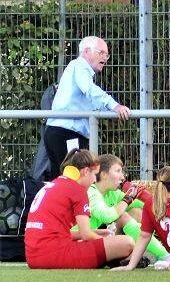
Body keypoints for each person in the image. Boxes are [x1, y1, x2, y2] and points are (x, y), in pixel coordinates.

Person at [24, 149, 134, 268]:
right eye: (94, 175)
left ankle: (110, 259)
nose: (95, 180)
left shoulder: (55, 183)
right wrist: (106, 242)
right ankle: (115, 259)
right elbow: (86, 235)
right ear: (86, 171)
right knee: (126, 242)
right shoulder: (79, 190)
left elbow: (54, 233)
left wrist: (94, 233)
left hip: (33, 257)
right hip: (55, 255)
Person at [43, 36, 131, 180]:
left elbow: (93, 101)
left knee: (64, 178)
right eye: (101, 52)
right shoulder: (79, 66)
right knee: (74, 179)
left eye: (106, 54)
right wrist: (115, 106)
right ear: (86, 52)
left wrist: (111, 109)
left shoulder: (80, 71)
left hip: (64, 131)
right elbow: (90, 90)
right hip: (67, 132)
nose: (105, 57)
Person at [79, 154, 170, 267]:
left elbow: (147, 206)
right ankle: (164, 256)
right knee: (123, 218)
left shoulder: (113, 194)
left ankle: (167, 252)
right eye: (118, 171)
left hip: (97, 241)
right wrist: (128, 198)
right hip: (80, 244)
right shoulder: (91, 192)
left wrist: (143, 194)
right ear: (104, 174)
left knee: (138, 212)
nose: (122, 177)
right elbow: (106, 216)